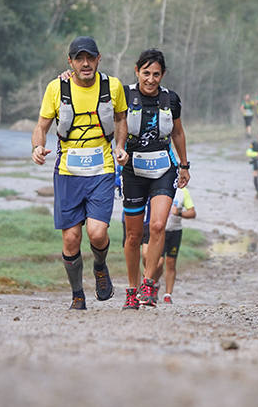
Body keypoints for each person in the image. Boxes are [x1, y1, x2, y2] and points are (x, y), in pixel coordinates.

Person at [32, 36, 129, 310]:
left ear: (99, 59)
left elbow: (121, 119)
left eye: (90, 58)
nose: (85, 63)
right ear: (70, 62)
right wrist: (37, 147)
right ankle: (77, 294)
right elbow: (41, 126)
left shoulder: (113, 86)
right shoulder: (56, 88)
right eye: (79, 58)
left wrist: (120, 146)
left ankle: (100, 266)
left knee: (97, 233)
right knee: (71, 237)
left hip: (102, 169)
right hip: (68, 171)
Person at [117, 48, 191, 309]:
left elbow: (178, 133)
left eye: (156, 74)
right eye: (146, 73)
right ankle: (131, 289)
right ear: (137, 71)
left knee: (158, 226)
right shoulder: (123, 94)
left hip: (163, 168)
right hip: (133, 171)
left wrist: (184, 165)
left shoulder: (171, 99)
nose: (150, 79)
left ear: (163, 74)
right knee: (134, 236)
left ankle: (149, 285)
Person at [138, 185, 196, 304]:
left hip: (174, 231)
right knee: (158, 262)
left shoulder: (183, 192)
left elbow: (192, 213)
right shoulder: (156, 187)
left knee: (171, 263)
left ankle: (167, 294)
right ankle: (153, 283)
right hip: (159, 233)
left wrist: (179, 213)